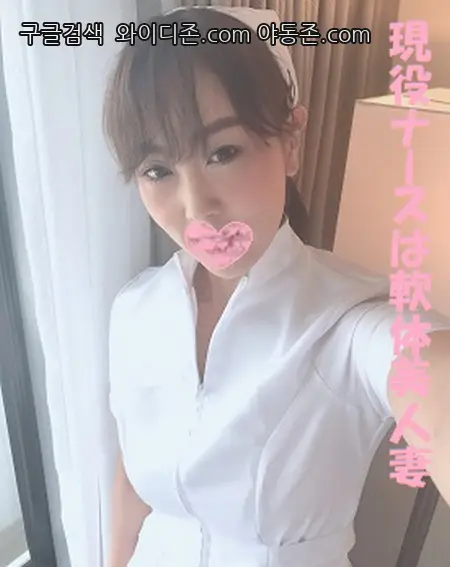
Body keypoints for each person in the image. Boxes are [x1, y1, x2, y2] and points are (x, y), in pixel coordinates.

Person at [103, 6, 450, 567]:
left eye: (223, 153)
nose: (197, 208)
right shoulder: (136, 310)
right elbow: (131, 480)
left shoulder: (350, 322)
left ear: (290, 141)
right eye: (157, 169)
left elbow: (426, 369)